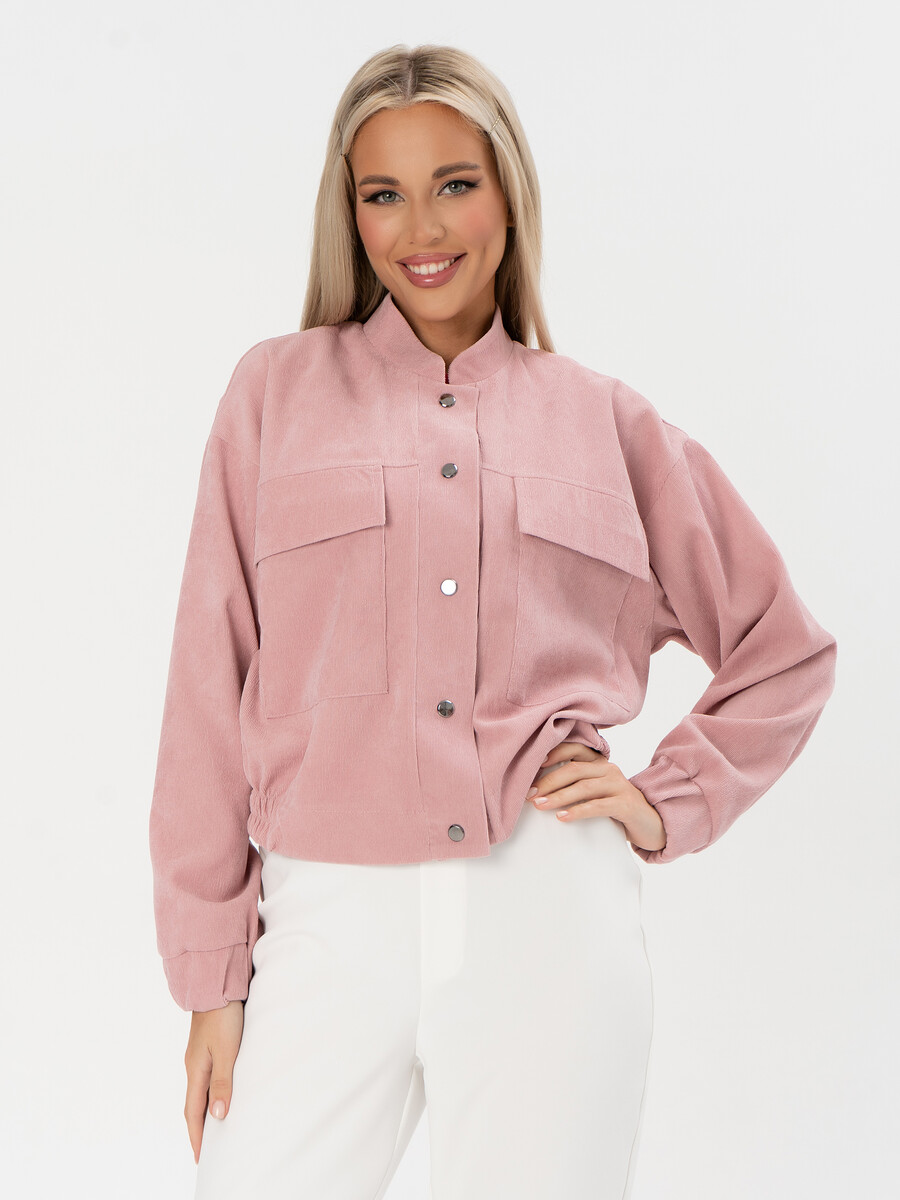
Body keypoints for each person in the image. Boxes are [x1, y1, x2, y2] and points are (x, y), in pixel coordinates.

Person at [148, 43, 837, 1200]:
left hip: (547, 910)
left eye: (455, 184)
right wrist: (213, 977)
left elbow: (785, 651)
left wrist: (664, 801)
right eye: (384, 193)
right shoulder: (273, 396)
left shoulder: (608, 424)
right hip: (325, 919)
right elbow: (206, 688)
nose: (422, 227)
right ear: (350, 214)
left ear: (508, 194)